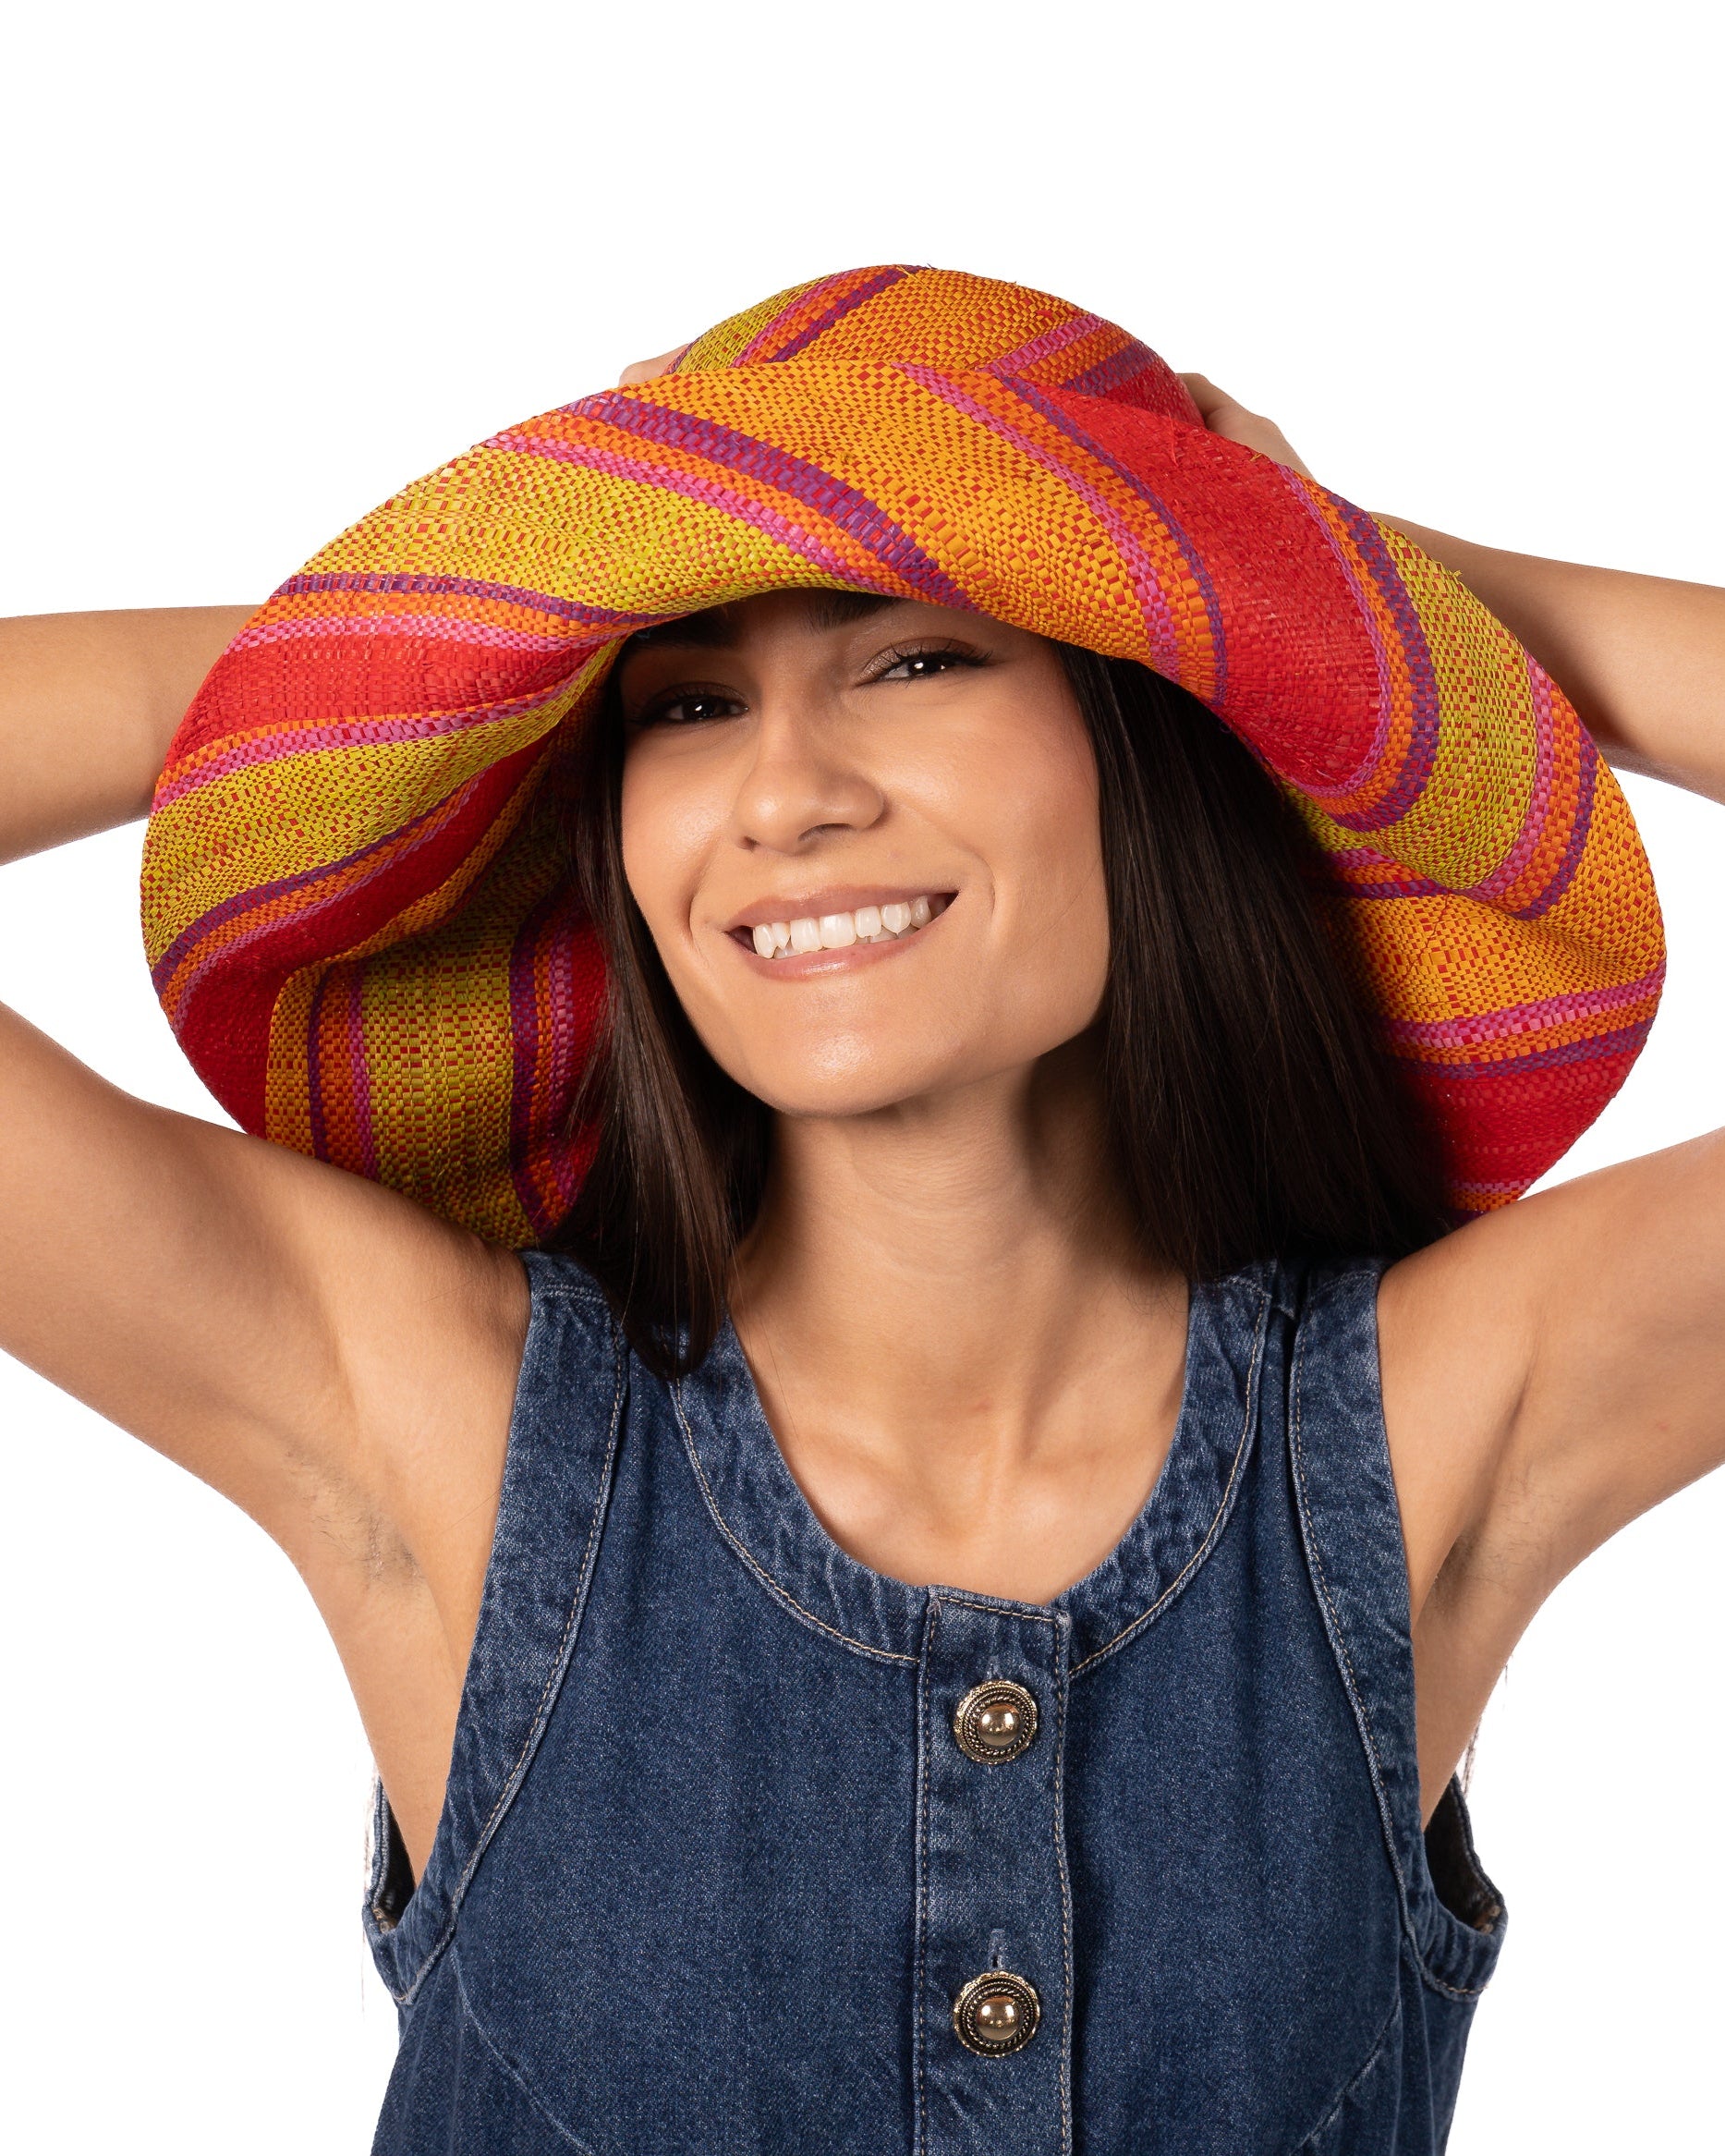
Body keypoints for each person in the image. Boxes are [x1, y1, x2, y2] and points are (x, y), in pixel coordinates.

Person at [2, 266, 1720, 2154]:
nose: (783, 795)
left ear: (1155, 712)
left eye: (912, 660)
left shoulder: (1429, 1423)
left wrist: (1343, 592)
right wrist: (439, 641)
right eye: (687, 699)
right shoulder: (442, 1421)